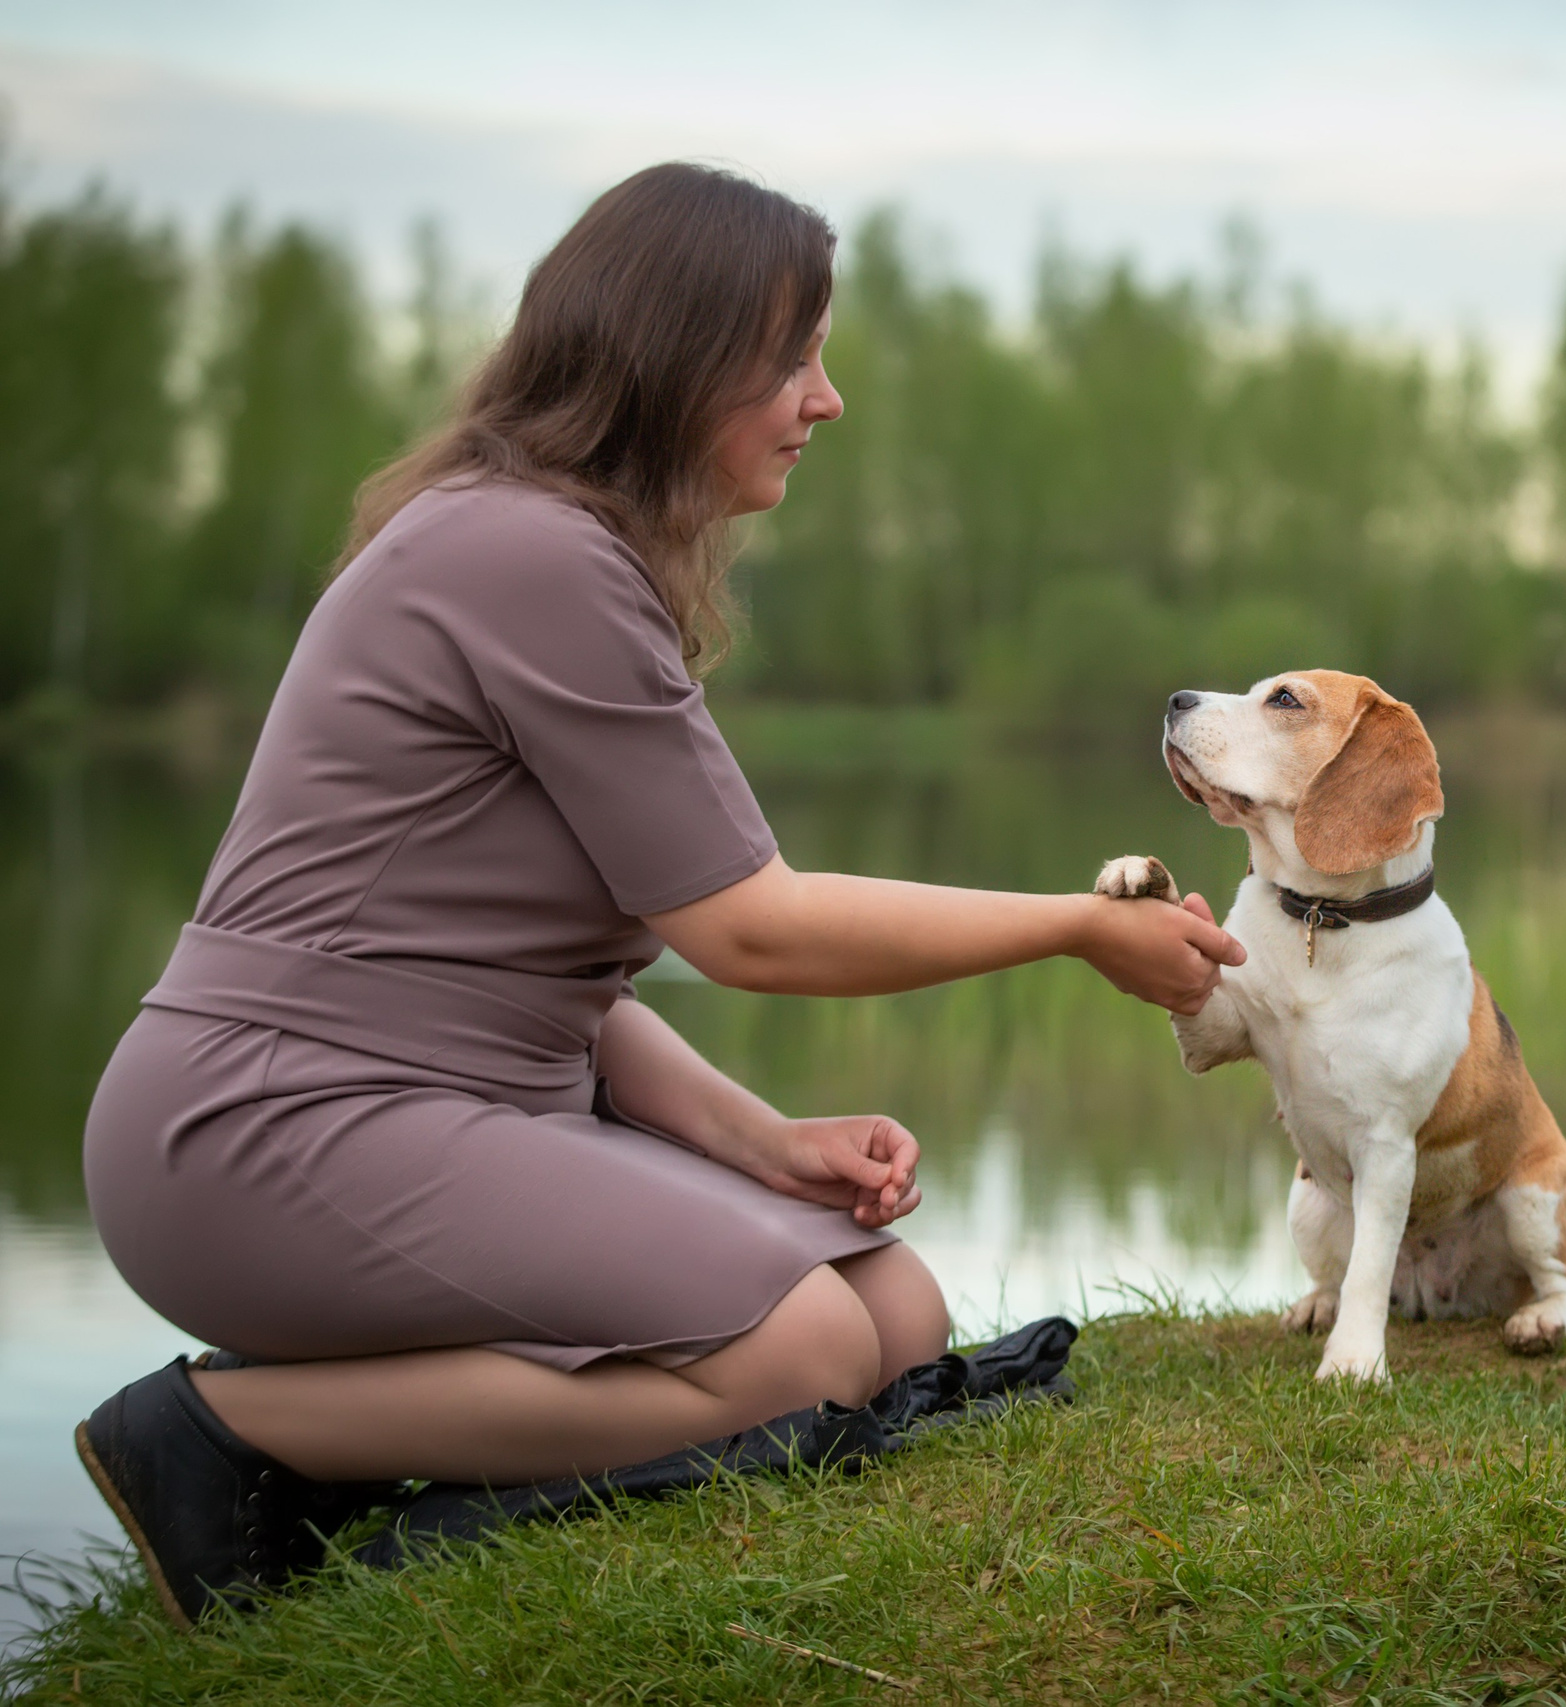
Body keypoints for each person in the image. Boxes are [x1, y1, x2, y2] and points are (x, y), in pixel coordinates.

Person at [73, 162, 1244, 1627]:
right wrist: (1077, 927)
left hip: (435, 1104)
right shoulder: (526, 553)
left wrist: (763, 1143)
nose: (826, 400)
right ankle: (232, 1440)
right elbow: (752, 925)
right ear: (670, 359)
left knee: (894, 1317)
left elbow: (560, 981)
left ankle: (380, 1457)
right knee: (808, 1350)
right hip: (263, 1126)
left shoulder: (558, 547)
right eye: (792, 358)